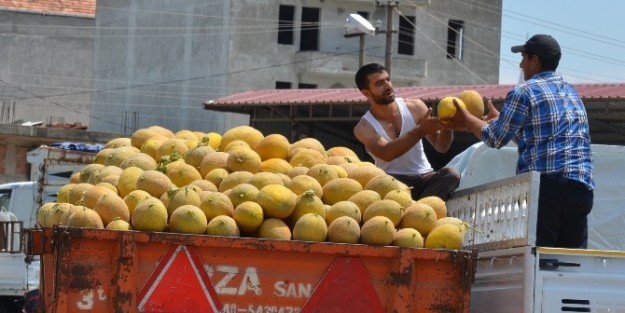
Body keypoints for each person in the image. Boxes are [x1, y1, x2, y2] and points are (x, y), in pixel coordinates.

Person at [448, 34, 595, 249]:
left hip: (547, 188)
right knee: (571, 261)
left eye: (524, 58)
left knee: (541, 259)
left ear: (535, 60)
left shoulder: (524, 91)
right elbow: (540, 139)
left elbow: (495, 138)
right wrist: (502, 120)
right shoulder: (571, 93)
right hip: (581, 188)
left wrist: (467, 120)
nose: (520, 64)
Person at [353, 63, 460, 201]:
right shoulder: (364, 127)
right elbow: (386, 153)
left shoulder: (415, 107)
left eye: (388, 79)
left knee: (451, 174)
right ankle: (418, 211)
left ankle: (417, 211)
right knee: (379, 190)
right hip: (392, 183)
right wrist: (420, 130)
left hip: (424, 178)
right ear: (366, 92)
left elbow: (442, 147)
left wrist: (447, 127)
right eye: (380, 83)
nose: (388, 86)